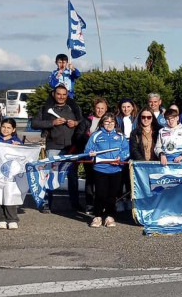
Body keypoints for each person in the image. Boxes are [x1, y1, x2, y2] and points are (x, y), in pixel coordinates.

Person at [31, 84, 86, 212]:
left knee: (72, 176)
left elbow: (83, 122)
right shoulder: (46, 108)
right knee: (50, 175)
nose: (61, 97)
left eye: (64, 94)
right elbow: (34, 123)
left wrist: (76, 123)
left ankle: (75, 204)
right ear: (53, 94)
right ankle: (47, 203)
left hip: (71, 148)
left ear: (67, 95)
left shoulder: (73, 108)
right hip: (53, 147)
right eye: (59, 94)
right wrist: (52, 123)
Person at [84, 113, 130, 227]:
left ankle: (110, 216)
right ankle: (97, 216)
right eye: (106, 122)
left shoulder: (120, 136)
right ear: (102, 123)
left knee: (112, 194)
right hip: (100, 169)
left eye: (112, 122)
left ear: (115, 123)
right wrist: (91, 155)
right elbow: (87, 151)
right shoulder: (96, 135)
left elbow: (126, 150)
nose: (109, 124)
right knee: (100, 193)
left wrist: (121, 158)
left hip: (116, 169)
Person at [84, 98, 109, 214]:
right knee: (90, 180)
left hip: (105, 156)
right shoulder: (88, 121)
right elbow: (79, 135)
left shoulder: (110, 120)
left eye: (102, 108)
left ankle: (103, 204)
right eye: (98, 108)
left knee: (103, 181)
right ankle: (89, 204)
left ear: (106, 109)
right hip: (91, 155)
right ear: (94, 108)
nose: (100, 110)